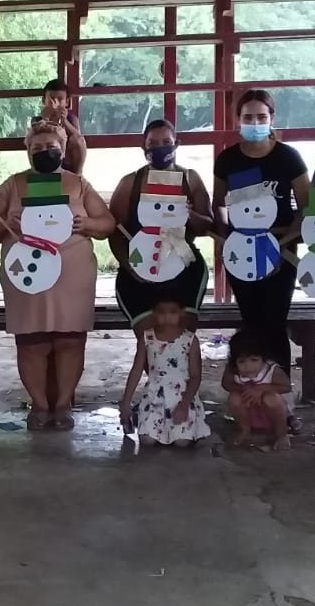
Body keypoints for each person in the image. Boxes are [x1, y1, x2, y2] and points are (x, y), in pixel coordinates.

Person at [0, 119, 115, 430]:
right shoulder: (13, 184)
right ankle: (39, 404)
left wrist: (87, 225)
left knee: (71, 340)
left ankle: (64, 403)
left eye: (51, 147)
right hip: (28, 273)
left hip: (72, 274)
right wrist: (5, 221)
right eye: (37, 147)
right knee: (31, 343)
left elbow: (107, 222)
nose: (44, 152)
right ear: (27, 151)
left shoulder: (79, 184)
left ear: (63, 149)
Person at [212, 90, 311, 383]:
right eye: (248, 117)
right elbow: (218, 203)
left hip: (281, 251)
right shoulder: (229, 159)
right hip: (241, 251)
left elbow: (306, 207)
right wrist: (225, 238)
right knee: (251, 323)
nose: (254, 122)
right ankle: (248, 391)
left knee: (275, 322)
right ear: (237, 120)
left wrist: (283, 242)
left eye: (261, 117)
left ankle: (281, 398)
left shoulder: (288, 157)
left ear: (271, 119)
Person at [108, 118, 213, 332]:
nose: (160, 147)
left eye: (166, 141)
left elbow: (208, 226)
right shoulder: (131, 182)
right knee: (148, 339)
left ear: (176, 144)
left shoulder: (190, 179)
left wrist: (190, 214)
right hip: (139, 268)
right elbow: (115, 231)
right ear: (143, 147)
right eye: (152, 143)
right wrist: (131, 268)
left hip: (183, 267)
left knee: (182, 335)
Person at [117, 295, 209, 447]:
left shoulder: (190, 340)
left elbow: (195, 376)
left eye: (172, 312)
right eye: (161, 312)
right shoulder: (147, 338)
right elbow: (136, 370)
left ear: (181, 313)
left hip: (182, 396)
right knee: (147, 441)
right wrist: (126, 402)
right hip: (154, 396)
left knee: (182, 443)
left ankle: (192, 427)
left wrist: (184, 404)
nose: (167, 317)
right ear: (154, 313)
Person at [222, 330, 293, 451]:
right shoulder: (232, 370)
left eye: (254, 360)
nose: (248, 366)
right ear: (234, 361)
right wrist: (244, 389)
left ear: (263, 358)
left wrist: (263, 389)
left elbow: (286, 387)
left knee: (270, 398)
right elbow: (226, 384)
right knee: (234, 397)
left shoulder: (272, 369)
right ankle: (245, 429)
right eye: (242, 361)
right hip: (248, 409)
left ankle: (282, 434)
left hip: (273, 410)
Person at [31, 78, 87, 174]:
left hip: (67, 160)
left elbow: (79, 139)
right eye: (51, 99)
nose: (55, 103)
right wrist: (46, 120)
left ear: (67, 102)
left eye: (60, 99)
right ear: (44, 100)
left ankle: (78, 176)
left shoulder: (72, 119)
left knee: (78, 139)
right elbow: (32, 139)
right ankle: (39, 175)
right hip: (46, 159)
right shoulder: (37, 120)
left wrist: (64, 121)